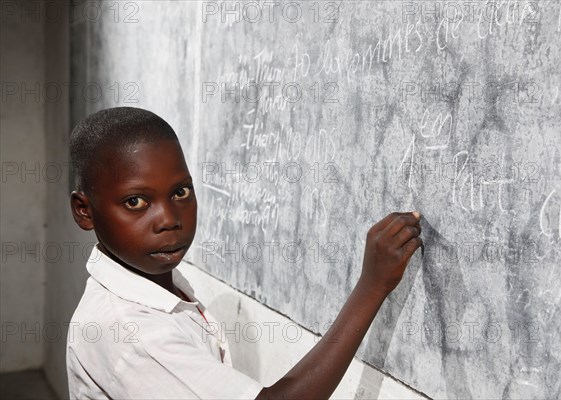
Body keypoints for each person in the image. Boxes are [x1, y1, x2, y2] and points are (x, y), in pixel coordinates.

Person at [66, 106, 423, 399]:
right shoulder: (131, 335)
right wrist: (371, 288)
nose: (169, 220)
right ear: (85, 211)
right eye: (136, 201)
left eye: (181, 192)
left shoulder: (158, 285)